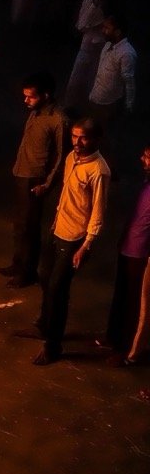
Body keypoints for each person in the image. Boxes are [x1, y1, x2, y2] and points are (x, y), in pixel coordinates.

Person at [29, 118, 110, 365]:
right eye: (74, 136)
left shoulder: (98, 170)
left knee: (57, 290)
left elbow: (98, 211)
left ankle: (53, 346)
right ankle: (44, 325)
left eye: (83, 137)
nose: (77, 141)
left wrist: (85, 246)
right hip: (58, 229)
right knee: (44, 276)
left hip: (74, 238)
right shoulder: (71, 158)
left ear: (96, 140)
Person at [0, 73, 66, 289]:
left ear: (46, 95)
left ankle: (28, 273)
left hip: (35, 179)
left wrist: (47, 184)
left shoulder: (57, 120)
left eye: (31, 97)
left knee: (29, 227)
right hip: (22, 173)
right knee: (19, 224)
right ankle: (17, 264)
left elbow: (60, 157)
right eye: (25, 96)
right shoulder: (36, 112)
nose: (26, 101)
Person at [103, 142, 150, 366]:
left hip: (140, 253)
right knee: (121, 296)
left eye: (147, 156)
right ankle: (112, 338)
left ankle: (126, 351)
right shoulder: (146, 183)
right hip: (128, 247)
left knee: (133, 303)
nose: (142, 159)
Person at [64, 0, 113, 110]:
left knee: (92, 79)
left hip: (100, 46)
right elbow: (83, 18)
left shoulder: (109, 2)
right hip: (86, 43)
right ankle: (70, 106)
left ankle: (86, 108)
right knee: (76, 77)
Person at [86, 13, 136, 141]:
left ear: (117, 32)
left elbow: (129, 82)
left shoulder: (126, 53)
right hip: (96, 97)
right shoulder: (108, 45)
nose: (103, 31)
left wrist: (128, 105)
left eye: (107, 28)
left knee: (101, 137)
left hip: (107, 104)